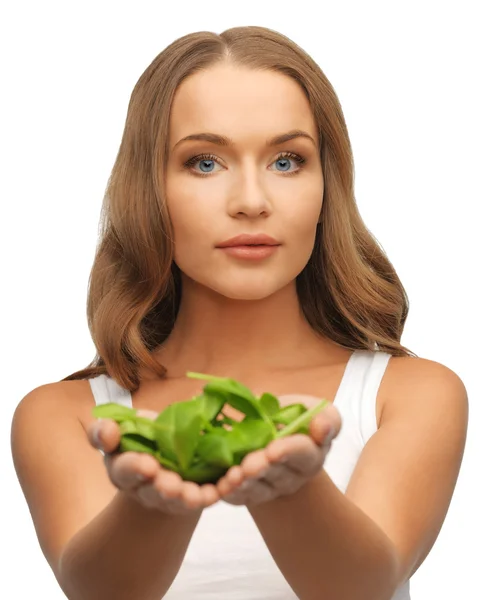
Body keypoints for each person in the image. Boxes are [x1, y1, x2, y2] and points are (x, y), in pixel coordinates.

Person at [10, 25, 468, 600]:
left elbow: (366, 584)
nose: (252, 200)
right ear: (147, 188)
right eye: (205, 162)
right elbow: (98, 589)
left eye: (286, 161)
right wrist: (158, 504)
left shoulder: (410, 393)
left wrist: (289, 489)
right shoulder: (65, 415)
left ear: (328, 185)